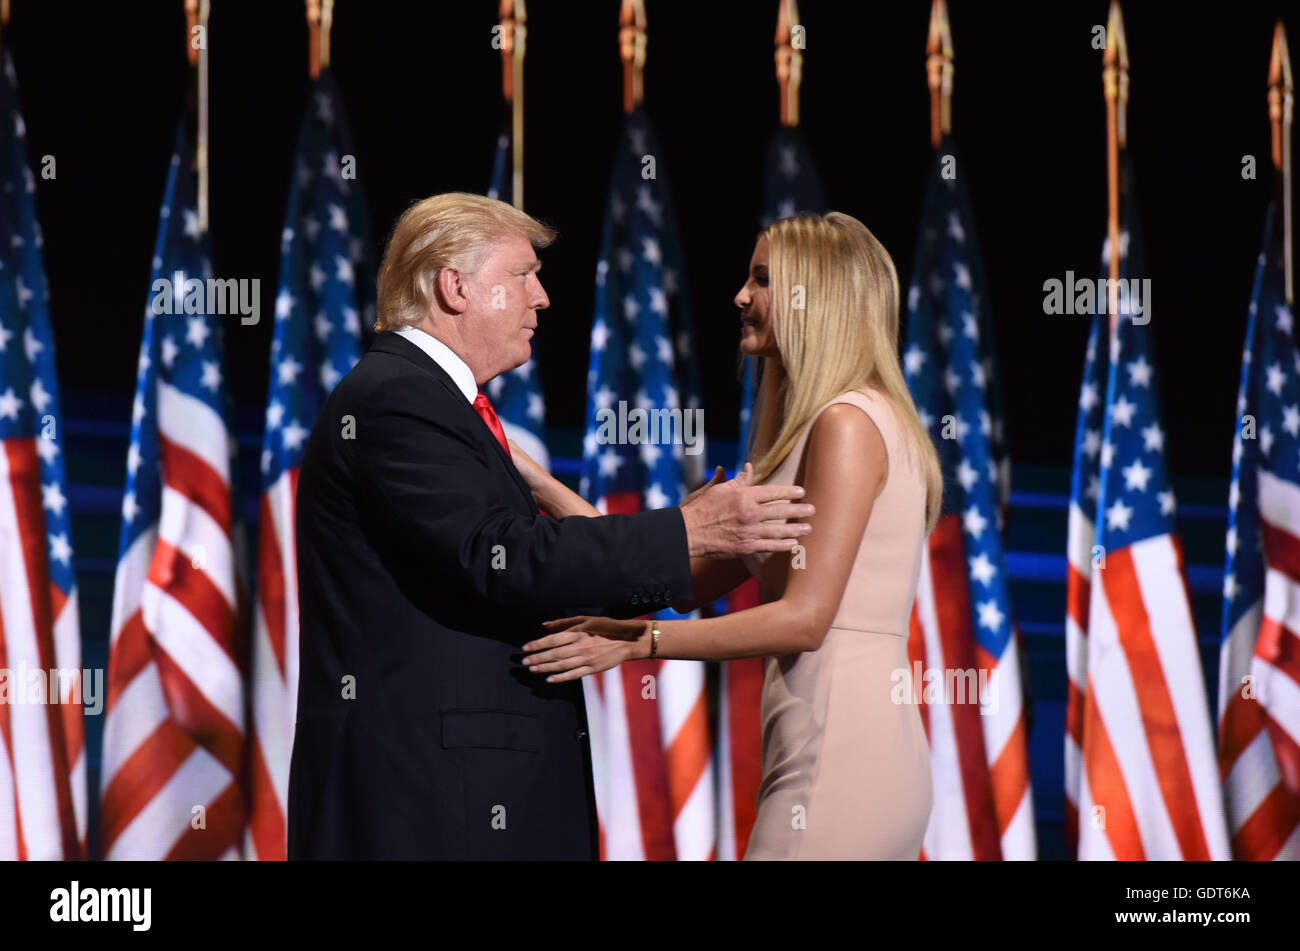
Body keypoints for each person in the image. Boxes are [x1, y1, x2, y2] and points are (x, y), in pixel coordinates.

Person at [286, 193, 815, 860]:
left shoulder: (434, 402)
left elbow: (539, 575)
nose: (541, 297)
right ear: (454, 287)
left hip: (460, 796)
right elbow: (498, 557)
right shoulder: (400, 397)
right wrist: (685, 529)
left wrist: (677, 544)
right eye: (522, 275)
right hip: (437, 804)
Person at [515, 211, 943, 859]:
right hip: (824, 751)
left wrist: (640, 641)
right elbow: (682, 579)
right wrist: (536, 482)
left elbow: (804, 620)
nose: (741, 296)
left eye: (764, 279)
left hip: (842, 763)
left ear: (816, 297)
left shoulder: (847, 424)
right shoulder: (821, 426)